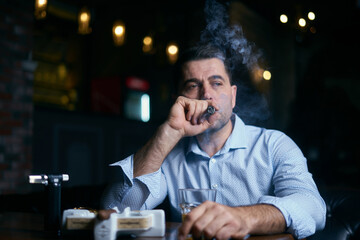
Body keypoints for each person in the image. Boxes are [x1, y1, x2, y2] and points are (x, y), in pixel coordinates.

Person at [100, 43, 326, 240]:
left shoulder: (274, 145)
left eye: (216, 83)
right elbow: (117, 210)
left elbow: (313, 208)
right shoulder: (167, 153)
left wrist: (244, 217)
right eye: (192, 85)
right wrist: (168, 132)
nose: (206, 94)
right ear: (177, 99)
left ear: (233, 95)